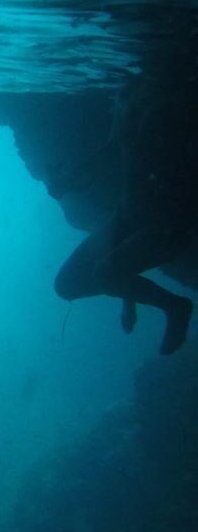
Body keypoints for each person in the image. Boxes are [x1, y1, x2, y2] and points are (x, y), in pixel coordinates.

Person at [53, 72, 197, 355]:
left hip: (163, 224)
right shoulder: (129, 109)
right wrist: (127, 297)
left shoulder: (162, 116)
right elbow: (111, 150)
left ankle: (175, 306)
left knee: (107, 274)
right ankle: (125, 281)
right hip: (126, 219)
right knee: (66, 284)